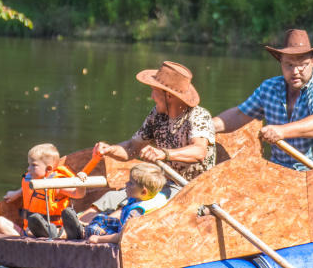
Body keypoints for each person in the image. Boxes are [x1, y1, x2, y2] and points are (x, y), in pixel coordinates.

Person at [77, 61, 215, 223]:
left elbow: (199, 151)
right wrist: (109, 150)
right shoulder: (157, 115)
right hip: (160, 184)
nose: (151, 96)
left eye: (154, 91)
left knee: (135, 204)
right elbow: (131, 148)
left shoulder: (198, 116)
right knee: (111, 198)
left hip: (190, 191)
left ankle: (99, 227)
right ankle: (71, 229)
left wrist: (164, 154)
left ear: (168, 95)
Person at [213, 29, 313, 170]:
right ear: (281, 63)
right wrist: (208, 127)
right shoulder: (269, 87)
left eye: (303, 64)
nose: (296, 71)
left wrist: (282, 131)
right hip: (281, 171)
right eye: (289, 65)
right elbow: (240, 115)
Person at [0, 143, 85, 238]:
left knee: (36, 231)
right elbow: (27, 190)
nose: (28, 169)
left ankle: (59, 233)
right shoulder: (29, 179)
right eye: (29, 164)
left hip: (56, 227)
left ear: (48, 169)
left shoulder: (57, 183)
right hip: (30, 228)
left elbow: (78, 194)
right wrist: (17, 193)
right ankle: (25, 238)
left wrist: (81, 184)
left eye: (33, 165)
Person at [61, 163, 168, 243]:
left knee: (94, 229)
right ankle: (81, 228)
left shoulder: (135, 212)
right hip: (123, 229)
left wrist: (98, 239)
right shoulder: (148, 198)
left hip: (122, 237)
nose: (126, 183)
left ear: (143, 191)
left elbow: (122, 236)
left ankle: (81, 234)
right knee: (100, 218)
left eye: (131, 183)